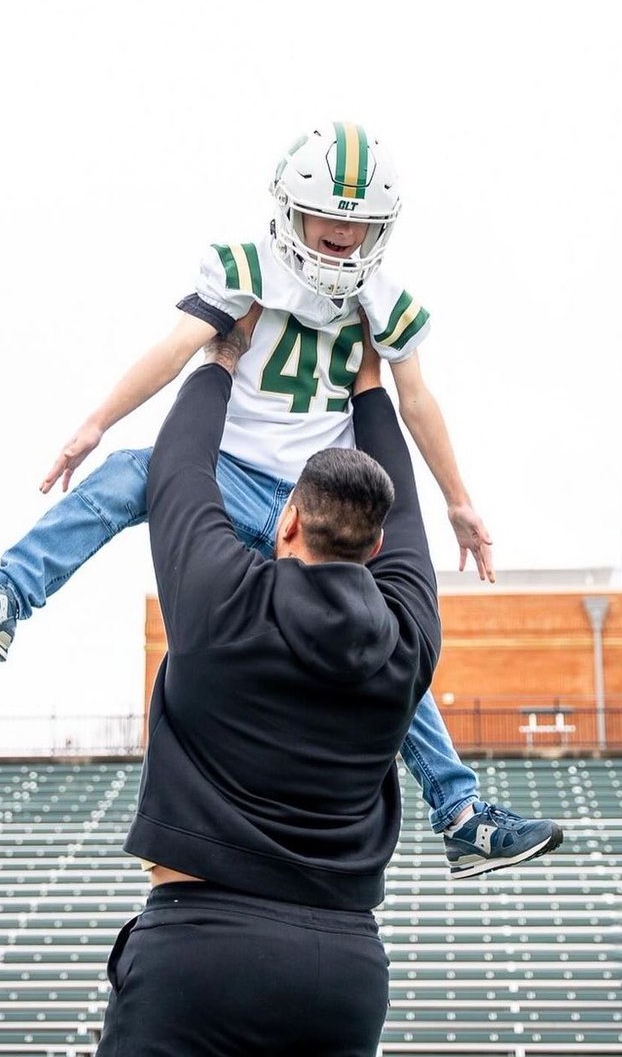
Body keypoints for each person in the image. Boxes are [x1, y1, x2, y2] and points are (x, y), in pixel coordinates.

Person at [0, 122, 562, 878]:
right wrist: (95, 423)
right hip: (228, 477)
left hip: (318, 505)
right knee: (131, 473)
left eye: (357, 222)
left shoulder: (387, 300)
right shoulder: (243, 267)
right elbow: (173, 352)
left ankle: (459, 814)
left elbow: (418, 401)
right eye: (327, 215)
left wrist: (459, 502)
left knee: (387, 650)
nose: (339, 233)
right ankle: (6, 595)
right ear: (288, 207)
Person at [96, 316, 433, 1056]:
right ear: (377, 549)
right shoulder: (408, 638)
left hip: (200, 951)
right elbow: (404, 505)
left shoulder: (220, 600)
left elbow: (179, 466)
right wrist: (369, 382)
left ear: (286, 521)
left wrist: (221, 352)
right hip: (343, 969)